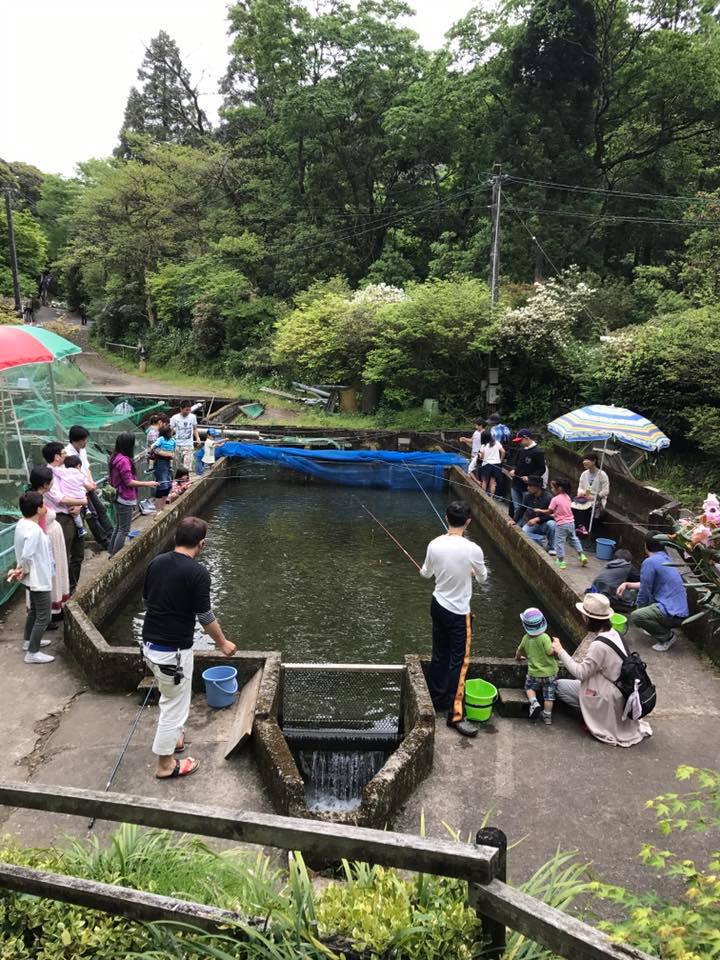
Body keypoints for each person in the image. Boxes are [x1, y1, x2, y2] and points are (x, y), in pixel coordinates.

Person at [142, 516, 237, 779]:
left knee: (171, 697)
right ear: (202, 543)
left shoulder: (156, 562)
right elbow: (205, 616)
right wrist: (223, 643)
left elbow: (147, 599)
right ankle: (165, 765)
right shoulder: (197, 573)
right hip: (172, 652)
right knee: (173, 707)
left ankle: (175, 742)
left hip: (150, 645)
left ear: (176, 538)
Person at [420, 500, 488, 738]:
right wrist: (469, 571)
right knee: (459, 663)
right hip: (459, 613)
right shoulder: (473, 550)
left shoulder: (434, 544)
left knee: (439, 655)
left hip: (437, 605)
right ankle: (455, 715)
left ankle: (436, 698)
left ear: (446, 518)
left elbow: (425, 573)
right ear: (468, 521)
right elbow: (482, 578)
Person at [552, 594, 652, 747]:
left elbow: (580, 672)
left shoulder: (599, 645)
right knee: (577, 685)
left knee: (558, 686)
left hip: (609, 697)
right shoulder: (614, 634)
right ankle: (598, 714)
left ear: (588, 618)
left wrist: (560, 651)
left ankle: (595, 717)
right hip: (622, 691)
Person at [617, 533, 689, 652]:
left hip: (671, 614)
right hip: (679, 612)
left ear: (645, 545)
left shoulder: (650, 562)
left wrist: (639, 610)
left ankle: (667, 637)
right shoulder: (665, 558)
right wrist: (627, 584)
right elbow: (647, 584)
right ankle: (655, 626)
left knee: (636, 616)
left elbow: (645, 591)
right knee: (635, 595)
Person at [7, 492, 55, 664]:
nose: (45, 507)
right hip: (37, 577)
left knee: (34, 611)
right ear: (38, 509)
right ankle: (32, 652)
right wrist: (23, 569)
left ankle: (29, 641)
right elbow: (27, 555)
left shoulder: (22, 524)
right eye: (43, 504)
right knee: (44, 615)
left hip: (30, 576)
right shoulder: (34, 531)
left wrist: (21, 570)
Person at [42, 442, 89, 593]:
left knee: (78, 554)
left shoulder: (66, 469)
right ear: (56, 457)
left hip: (75, 514)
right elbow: (59, 498)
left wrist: (80, 506)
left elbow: (78, 488)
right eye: (63, 453)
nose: (66, 455)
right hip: (61, 518)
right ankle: (61, 592)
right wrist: (82, 502)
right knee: (63, 556)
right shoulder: (47, 475)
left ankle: (71, 589)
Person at [27, 466, 70, 626]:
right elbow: (39, 527)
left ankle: (53, 610)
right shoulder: (36, 501)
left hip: (52, 539)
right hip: (48, 543)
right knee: (49, 577)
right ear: (45, 484)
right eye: (51, 480)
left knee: (54, 576)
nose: (53, 483)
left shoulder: (40, 496)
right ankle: (47, 615)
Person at [107, 433, 159, 557]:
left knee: (119, 526)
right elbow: (129, 482)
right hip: (124, 497)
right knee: (124, 530)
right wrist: (148, 483)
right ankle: (115, 556)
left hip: (118, 496)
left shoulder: (115, 457)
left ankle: (111, 552)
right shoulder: (124, 461)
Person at [64, 425, 114, 551]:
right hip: (79, 490)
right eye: (84, 440)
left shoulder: (82, 450)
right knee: (92, 516)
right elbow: (74, 475)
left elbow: (86, 468)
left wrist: (91, 483)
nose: (86, 442)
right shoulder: (68, 454)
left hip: (88, 487)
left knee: (101, 509)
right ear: (77, 440)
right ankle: (104, 541)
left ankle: (111, 535)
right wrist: (87, 486)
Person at [515, 607, 558, 725]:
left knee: (529, 688)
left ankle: (534, 703)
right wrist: (555, 646)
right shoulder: (545, 637)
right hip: (550, 674)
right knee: (549, 696)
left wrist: (518, 658)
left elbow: (519, 651)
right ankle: (547, 716)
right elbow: (549, 652)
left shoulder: (525, 638)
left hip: (534, 674)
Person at [537, 479, 588, 570]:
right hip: (571, 522)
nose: (551, 489)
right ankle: (582, 555)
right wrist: (555, 514)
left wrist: (540, 510)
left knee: (559, 542)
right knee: (574, 539)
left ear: (559, 488)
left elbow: (549, 511)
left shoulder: (555, 499)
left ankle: (561, 562)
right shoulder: (567, 497)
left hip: (561, 524)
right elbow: (562, 510)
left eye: (552, 488)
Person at [507, 476, 556, 554]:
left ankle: (551, 547)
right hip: (532, 524)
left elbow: (553, 515)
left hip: (545, 523)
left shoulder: (549, 497)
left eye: (530, 486)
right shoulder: (528, 496)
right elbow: (521, 509)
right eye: (528, 485)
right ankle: (539, 540)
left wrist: (538, 519)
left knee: (552, 525)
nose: (528, 488)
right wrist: (513, 520)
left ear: (537, 487)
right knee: (524, 533)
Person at [509, 430, 546, 516]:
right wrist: (513, 470)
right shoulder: (521, 450)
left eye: (520, 440)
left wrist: (530, 478)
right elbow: (516, 463)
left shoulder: (538, 452)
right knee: (516, 507)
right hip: (515, 483)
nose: (519, 443)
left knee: (526, 509)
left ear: (526, 438)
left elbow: (542, 469)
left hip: (528, 487)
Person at [572, 453, 610, 535]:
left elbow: (606, 491)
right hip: (585, 497)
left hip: (597, 500)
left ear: (594, 461)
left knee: (585, 509)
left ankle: (583, 529)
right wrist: (580, 492)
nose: (584, 462)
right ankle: (579, 527)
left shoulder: (602, 475)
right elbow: (580, 487)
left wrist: (595, 497)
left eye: (587, 460)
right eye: (584, 460)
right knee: (573, 505)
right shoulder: (584, 474)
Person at [62, 454, 92, 537]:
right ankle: (86, 509)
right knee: (83, 494)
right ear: (78, 466)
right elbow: (88, 486)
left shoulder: (64, 475)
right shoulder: (80, 475)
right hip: (79, 496)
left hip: (70, 498)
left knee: (76, 516)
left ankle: (81, 529)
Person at [170, 401, 200, 472]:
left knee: (187, 466)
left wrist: (197, 437)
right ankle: (177, 481)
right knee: (177, 466)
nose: (188, 411)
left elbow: (195, 428)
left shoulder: (193, 417)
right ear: (181, 409)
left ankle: (186, 481)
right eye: (186, 410)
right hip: (177, 445)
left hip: (188, 445)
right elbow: (170, 430)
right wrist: (169, 441)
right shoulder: (175, 418)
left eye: (189, 410)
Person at [152, 424, 176, 509]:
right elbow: (153, 448)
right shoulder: (160, 440)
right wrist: (165, 453)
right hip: (160, 463)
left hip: (168, 464)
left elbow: (173, 452)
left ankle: (163, 507)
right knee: (162, 485)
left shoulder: (173, 440)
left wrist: (171, 455)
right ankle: (158, 510)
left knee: (168, 485)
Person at [478, 429, 504, 497]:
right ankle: (491, 498)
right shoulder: (496, 442)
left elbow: (482, 457)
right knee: (493, 483)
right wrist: (500, 460)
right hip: (496, 465)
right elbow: (503, 451)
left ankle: (483, 497)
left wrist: (479, 456)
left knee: (485, 481)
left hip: (486, 465)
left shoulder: (483, 446)